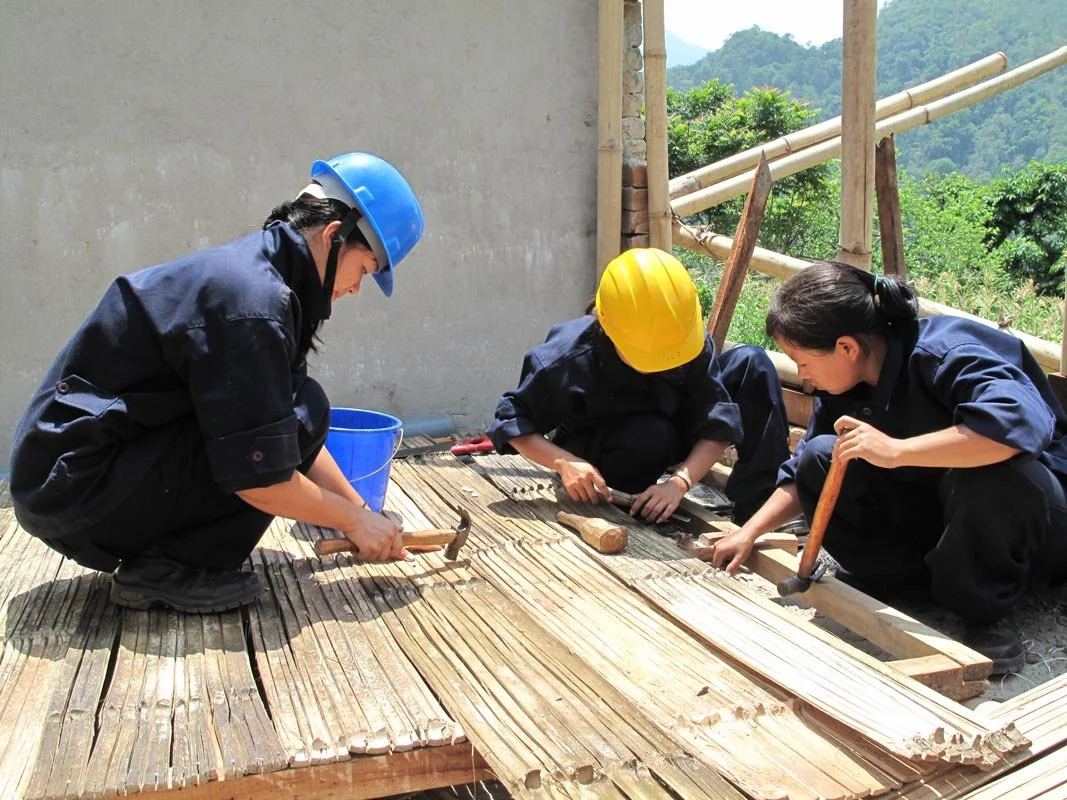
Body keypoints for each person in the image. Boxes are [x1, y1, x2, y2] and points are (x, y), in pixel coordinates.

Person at [9, 152, 425, 614]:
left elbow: (287, 424)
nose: (354, 290)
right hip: (76, 490)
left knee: (304, 408)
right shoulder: (251, 303)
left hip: (78, 476)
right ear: (333, 236)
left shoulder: (260, 281)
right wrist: (351, 517)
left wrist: (362, 519)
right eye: (364, 270)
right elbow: (260, 474)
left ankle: (165, 557)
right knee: (293, 424)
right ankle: (165, 567)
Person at [711, 260, 1067, 674]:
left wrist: (896, 451)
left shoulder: (945, 351)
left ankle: (983, 611)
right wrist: (749, 532)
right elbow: (800, 471)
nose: (803, 377)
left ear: (846, 347)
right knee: (822, 456)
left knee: (992, 474)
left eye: (802, 361)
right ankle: (906, 585)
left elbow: (1017, 426)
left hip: (1040, 520)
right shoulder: (846, 385)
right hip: (945, 512)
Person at [487, 247, 790, 525]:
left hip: (671, 429)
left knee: (753, 363)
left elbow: (718, 421)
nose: (665, 363)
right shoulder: (568, 355)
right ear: (608, 328)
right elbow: (511, 421)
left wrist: (680, 482)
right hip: (611, 450)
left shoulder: (685, 337)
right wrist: (565, 463)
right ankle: (636, 505)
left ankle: (760, 511)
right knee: (649, 435)